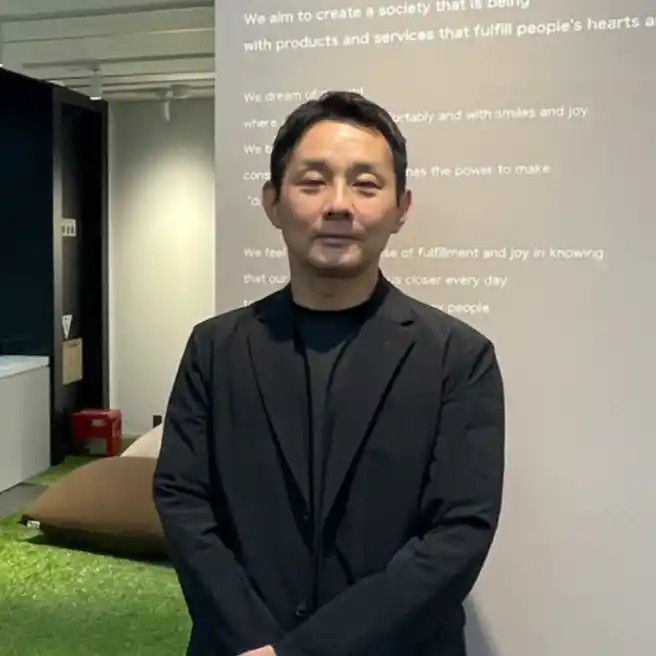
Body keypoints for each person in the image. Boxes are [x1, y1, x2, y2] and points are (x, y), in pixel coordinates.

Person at [153, 90, 505, 656]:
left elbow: (456, 534)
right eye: (313, 182)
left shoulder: (458, 358)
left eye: (365, 184)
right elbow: (183, 501)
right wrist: (254, 642)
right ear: (272, 202)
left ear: (401, 207)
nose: (339, 205)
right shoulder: (214, 349)